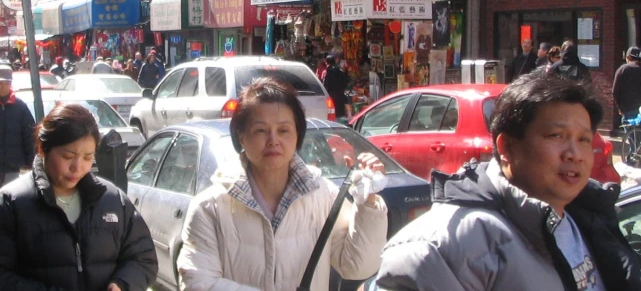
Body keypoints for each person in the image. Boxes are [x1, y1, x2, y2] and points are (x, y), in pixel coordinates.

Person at [374, 72, 641, 291]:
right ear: (507, 147)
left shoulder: (587, 218)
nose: (574, 154)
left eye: (583, 139)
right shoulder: (444, 246)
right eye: (556, 136)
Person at [177, 78, 388, 291]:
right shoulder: (209, 207)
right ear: (241, 137)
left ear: (297, 135)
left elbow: (356, 266)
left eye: (284, 130)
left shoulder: (324, 197)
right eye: (260, 130)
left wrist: (368, 201)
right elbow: (198, 283)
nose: (273, 140)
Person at [0, 102, 158, 290]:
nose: (78, 167)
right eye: (68, 156)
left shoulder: (113, 200)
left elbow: (143, 258)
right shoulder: (11, 204)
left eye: (88, 157)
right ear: (43, 149)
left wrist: (122, 284)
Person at [0, 62, 35, 187]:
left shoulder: (20, 107)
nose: (2, 87)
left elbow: (29, 136)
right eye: (0, 83)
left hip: (13, 168)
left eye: (5, 83)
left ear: (10, 84)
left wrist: (32, 163)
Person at [612, 46, 641, 122]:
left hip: (628, 109)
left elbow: (615, 91)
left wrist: (620, 108)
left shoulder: (623, 69)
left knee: (631, 132)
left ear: (628, 57)